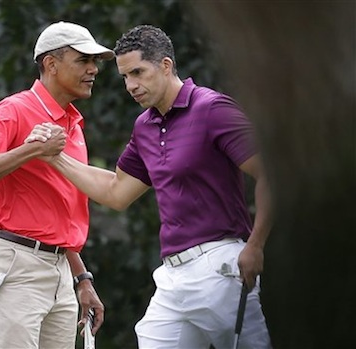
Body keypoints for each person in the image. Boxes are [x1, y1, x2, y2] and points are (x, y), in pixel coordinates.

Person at [30, 25, 273, 348]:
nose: (131, 85)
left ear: (166, 66)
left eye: (138, 73)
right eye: (125, 77)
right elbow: (117, 192)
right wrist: (53, 158)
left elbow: (271, 175)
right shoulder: (145, 126)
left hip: (221, 267)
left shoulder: (211, 109)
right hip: (172, 276)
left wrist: (255, 245)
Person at [0, 21, 114, 349]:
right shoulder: (14, 110)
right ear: (51, 64)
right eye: (83, 60)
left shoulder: (73, 124)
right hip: (15, 263)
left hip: (59, 269)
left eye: (95, 62)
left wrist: (81, 277)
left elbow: (59, 212)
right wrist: (32, 149)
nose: (93, 70)